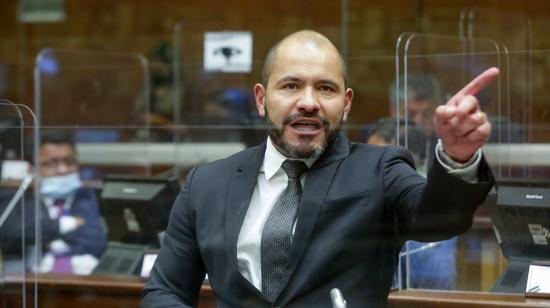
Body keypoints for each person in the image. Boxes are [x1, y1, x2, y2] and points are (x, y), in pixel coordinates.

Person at [141, 30, 498, 307]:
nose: (308, 102)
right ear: (262, 99)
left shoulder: (380, 169)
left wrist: (456, 155)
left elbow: (439, 218)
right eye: (291, 85)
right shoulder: (208, 183)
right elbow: (165, 290)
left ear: (345, 104)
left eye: (325, 88)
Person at [365, 117, 457, 290]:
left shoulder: (424, 203)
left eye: (379, 161)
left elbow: (435, 282)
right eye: (367, 159)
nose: (369, 168)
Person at [0, 130, 107, 275]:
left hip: (88, 282)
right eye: (51, 164)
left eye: (68, 162)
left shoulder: (91, 197)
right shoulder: (17, 198)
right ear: (31, 168)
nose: (63, 170)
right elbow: (11, 235)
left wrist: (44, 235)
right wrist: (63, 225)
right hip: (33, 285)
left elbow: (97, 240)